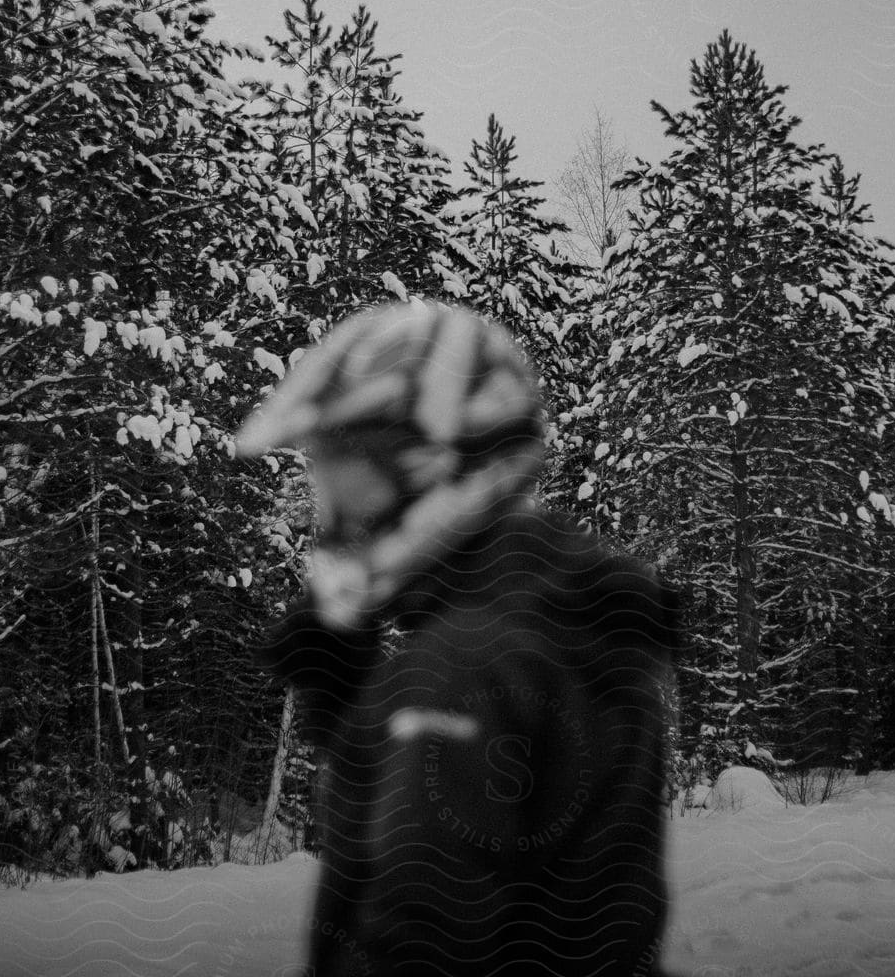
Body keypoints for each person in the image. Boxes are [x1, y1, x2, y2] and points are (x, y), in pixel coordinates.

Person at [238, 300, 676, 977]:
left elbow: (417, 931)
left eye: (346, 478)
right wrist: (357, 717)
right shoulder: (559, 622)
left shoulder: (466, 663)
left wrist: (404, 699)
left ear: (431, 470)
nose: (332, 515)